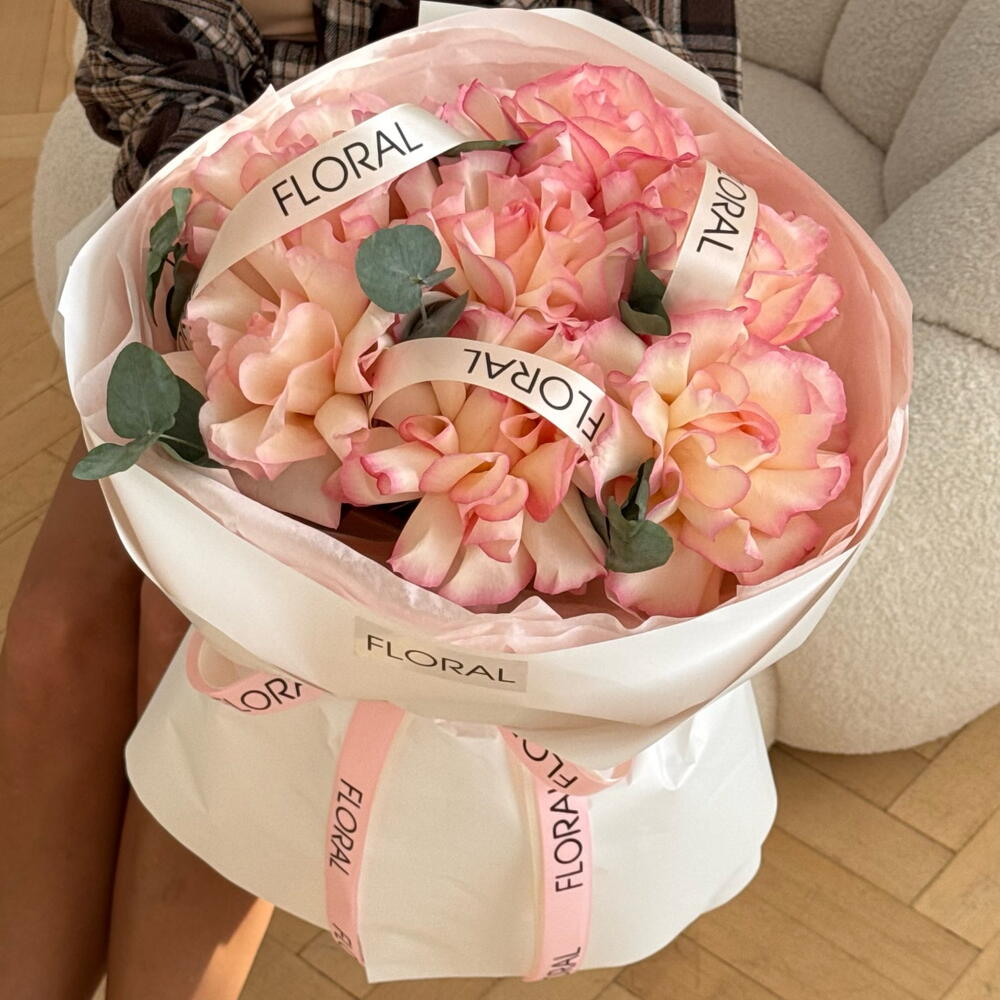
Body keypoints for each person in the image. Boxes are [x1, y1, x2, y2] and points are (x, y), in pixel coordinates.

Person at [0, 2, 739, 998]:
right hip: (251, 262)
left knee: (202, 652)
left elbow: (667, 96)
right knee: (51, 642)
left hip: (526, 324)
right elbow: (156, 67)